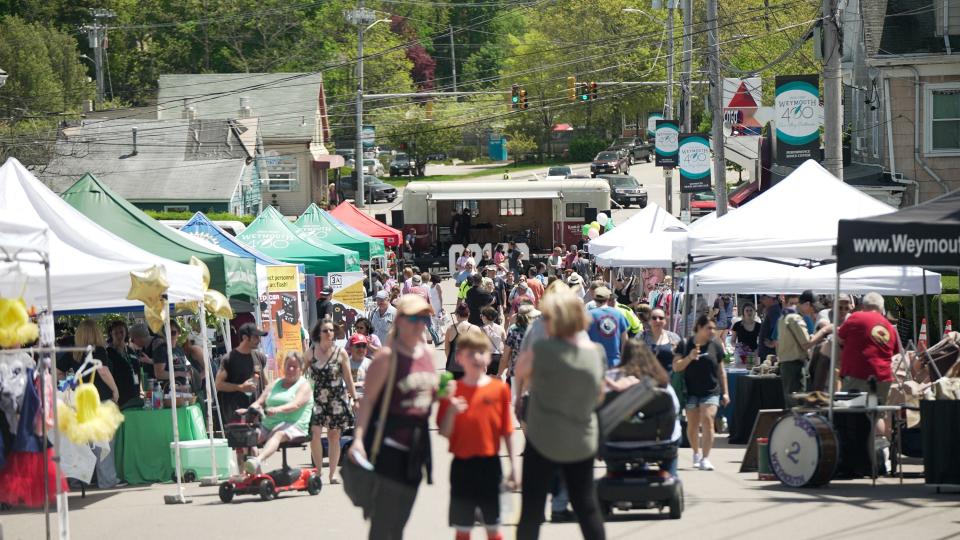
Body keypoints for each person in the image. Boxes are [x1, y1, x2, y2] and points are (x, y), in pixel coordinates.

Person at [513, 288, 606, 540]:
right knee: (587, 507)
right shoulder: (596, 353)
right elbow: (599, 395)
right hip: (582, 438)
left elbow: (520, 371)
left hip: (544, 437)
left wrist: (521, 396)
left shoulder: (542, 350)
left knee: (531, 511)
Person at [349, 295, 438, 540]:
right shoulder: (387, 358)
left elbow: (428, 398)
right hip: (389, 448)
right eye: (414, 318)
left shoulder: (427, 355)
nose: (421, 323)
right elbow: (367, 402)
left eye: (424, 318)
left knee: (399, 521)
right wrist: (358, 439)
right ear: (399, 321)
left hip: (417, 450)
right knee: (384, 522)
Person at [438, 331, 518, 540]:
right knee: (463, 527)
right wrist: (451, 411)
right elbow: (444, 432)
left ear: (488, 356)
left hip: (490, 465)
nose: (475, 357)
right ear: (459, 358)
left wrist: (514, 468)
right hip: (462, 466)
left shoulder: (498, 389)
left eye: (480, 352)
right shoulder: (452, 390)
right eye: (469, 353)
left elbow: (507, 431)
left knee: (493, 525)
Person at [57, 319, 121, 488]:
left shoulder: (74, 353)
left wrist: (69, 382)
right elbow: (103, 371)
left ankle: (78, 480)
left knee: (81, 444)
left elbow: (57, 372)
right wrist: (115, 390)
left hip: (79, 403)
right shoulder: (98, 350)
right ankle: (107, 480)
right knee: (104, 443)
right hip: (99, 400)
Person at [606, 340, 680, 477]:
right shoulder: (661, 380)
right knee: (675, 435)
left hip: (617, 442)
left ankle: (614, 472)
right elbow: (674, 409)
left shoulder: (611, 377)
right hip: (659, 442)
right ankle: (670, 475)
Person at [237, 351, 313, 474]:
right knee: (249, 437)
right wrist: (249, 410)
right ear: (284, 366)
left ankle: (257, 460)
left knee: (278, 433)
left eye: (295, 366)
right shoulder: (275, 383)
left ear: (301, 369)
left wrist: (277, 409)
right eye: (288, 366)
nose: (291, 369)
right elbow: (260, 401)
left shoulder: (305, 385)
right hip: (269, 424)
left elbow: (296, 404)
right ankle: (257, 474)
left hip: (294, 425)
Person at [672, 315, 728, 471]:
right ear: (699, 327)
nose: (712, 331)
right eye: (708, 328)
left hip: (711, 390)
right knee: (693, 425)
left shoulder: (716, 345)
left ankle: (705, 458)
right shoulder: (685, 344)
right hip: (690, 391)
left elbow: (721, 371)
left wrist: (725, 393)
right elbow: (676, 367)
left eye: (714, 328)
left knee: (708, 419)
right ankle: (696, 453)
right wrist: (689, 357)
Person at [307, 320, 359, 484]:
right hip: (317, 399)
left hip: (337, 398)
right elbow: (300, 375)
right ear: (319, 333)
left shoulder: (341, 353)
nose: (329, 333)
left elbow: (348, 378)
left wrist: (355, 398)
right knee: (314, 434)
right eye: (325, 331)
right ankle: (318, 471)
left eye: (331, 331)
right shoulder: (311, 352)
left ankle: (332, 473)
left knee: (334, 436)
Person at [837, 292, 898, 434]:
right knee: (876, 415)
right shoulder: (889, 326)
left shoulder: (856, 317)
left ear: (863, 306)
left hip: (858, 374)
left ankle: (854, 450)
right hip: (883, 377)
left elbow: (840, 338)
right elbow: (894, 351)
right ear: (881, 309)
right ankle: (881, 449)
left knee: (849, 413)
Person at [776, 291, 832, 403]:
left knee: (791, 401)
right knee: (798, 402)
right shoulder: (795, 318)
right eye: (813, 307)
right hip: (794, 366)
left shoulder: (784, 317)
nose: (813, 311)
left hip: (786, 365)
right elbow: (806, 344)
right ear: (806, 304)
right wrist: (824, 330)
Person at [216, 322, 266, 427]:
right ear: (245, 338)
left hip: (257, 414)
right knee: (242, 443)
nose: (259, 340)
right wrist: (240, 387)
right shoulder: (229, 359)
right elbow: (218, 385)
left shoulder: (260, 357)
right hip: (236, 415)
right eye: (255, 337)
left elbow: (264, 380)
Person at [587, 287, 629, 368]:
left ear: (594, 298)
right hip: (614, 362)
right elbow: (625, 339)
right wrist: (623, 360)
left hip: (594, 363)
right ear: (608, 299)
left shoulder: (588, 315)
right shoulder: (618, 314)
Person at [105, 320, 142, 407]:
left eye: (121, 332)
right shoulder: (108, 353)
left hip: (134, 395)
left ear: (126, 332)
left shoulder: (131, 351)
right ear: (111, 334)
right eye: (116, 333)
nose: (119, 335)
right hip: (119, 398)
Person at [499, 304, 535, 385]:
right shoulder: (537, 329)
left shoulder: (514, 330)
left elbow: (505, 356)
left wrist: (500, 374)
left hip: (515, 373)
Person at [445, 303, 480, 379]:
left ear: (457, 314)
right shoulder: (476, 329)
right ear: (468, 314)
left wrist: (451, 359)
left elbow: (447, 349)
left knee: (453, 389)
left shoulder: (450, 329)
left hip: (452, 365)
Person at [642, 307, 682, 374]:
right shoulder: (641, 337)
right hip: (648, 380)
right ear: (649, 321)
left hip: (670, 380)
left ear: (665, 321)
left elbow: (680, 360)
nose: (657, 320)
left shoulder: (674, 337)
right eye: (654, 318)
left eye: (661, 318)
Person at [481, 307, 506, 377]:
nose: (481, 318)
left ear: (485, 317)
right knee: (496, 380)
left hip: (486, 357)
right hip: (498, 357)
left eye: (482, 316)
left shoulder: (481, 329)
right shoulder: (501, 328)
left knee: (486, 381)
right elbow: (506, 344)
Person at [756, 294, 782, 362]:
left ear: (771, 298)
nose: (760, 300)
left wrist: (773, 344)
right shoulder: (772, 310)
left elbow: (778, 328)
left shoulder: (774, 311)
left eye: (763, 298)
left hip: (769, 355)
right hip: (768, 354)